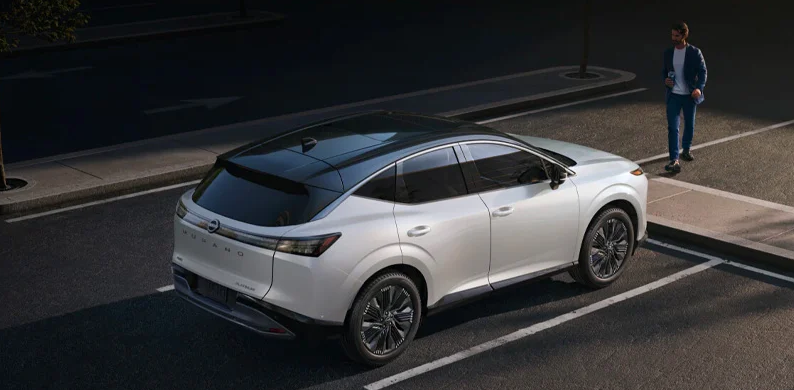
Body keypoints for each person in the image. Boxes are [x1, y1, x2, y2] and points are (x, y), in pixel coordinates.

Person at [663, 21, 707, 173]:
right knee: (673, 127)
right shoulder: (669, 53)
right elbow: (664, 71)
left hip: (689, 95)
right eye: (672, 35)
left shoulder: (694, 52)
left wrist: (699, 89)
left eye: (676, 35)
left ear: (684, 35)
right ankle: (674, 159)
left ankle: (686, 148)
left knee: (689, 124)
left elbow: (703, 72)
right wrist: (666, 80)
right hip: (673, 95)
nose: (673, 38)